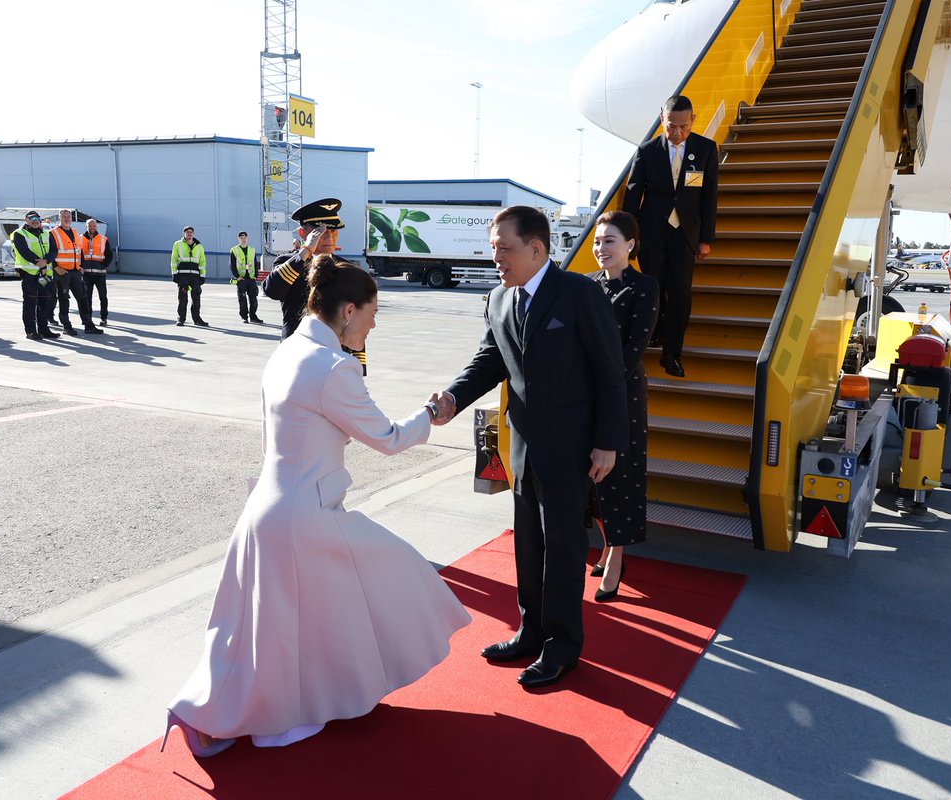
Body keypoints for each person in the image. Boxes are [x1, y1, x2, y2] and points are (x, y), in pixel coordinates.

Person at [163, 254, 469, 757]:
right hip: (306, 516)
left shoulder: (288, 350)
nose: (375, 323)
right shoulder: (333, 368)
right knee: (393, 573)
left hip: (268, 504)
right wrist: (432, 413)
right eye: (372, 313)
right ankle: (252, 715)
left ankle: (224, 711)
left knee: (266, 629)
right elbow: (387, 438)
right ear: (348, 311)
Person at [433, 206, 627, 689]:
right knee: (528, 545)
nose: (495, 256)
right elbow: (489, 360)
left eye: (505, 248)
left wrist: (607, 444)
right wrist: (453, 397)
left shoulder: (580, 294)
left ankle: (562, 646)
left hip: (572, 449)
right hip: (522, 447)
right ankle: (531, 631)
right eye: (494, 247)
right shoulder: (499, 298)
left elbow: (610, 373)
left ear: (537, 249)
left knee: (563, 549)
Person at [586, 211, 658, 601]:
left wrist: (599, 382)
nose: (601, 249)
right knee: (592, 478)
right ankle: (604, 541)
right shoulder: (585, 286)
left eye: (609, 241)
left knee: (621, 477)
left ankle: (616, 555)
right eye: (598, 241)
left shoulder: (645, 287)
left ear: (630, 245)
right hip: (585, 393)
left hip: (624, 393)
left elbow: (634, 348)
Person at [623, 94, 719, 378]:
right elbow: (632, 196)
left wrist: (706, 239)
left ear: (693, 121)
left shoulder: (705, 149)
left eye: (683, 127)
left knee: (680, 291)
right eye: (671, 127)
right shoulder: (646, 151)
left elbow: (709, 196)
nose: (677, 133)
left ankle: (672, 354)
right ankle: (657, 332)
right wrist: (630, 237)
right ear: (662, 119)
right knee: (653, 287)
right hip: (652, 233)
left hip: (686, 234)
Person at [262, 198, 343, 340]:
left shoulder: (345, 267)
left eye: (334, 231)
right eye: (321, 231)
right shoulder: (289, 262)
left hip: (337, 350)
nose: (329, 237)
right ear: (302, 233)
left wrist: (358, 361)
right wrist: (306, 251)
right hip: (298, 347)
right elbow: (272, 290)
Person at [51, 209, 103, 336]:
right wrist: (56, 267)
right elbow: (49, 252)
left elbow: (79, 252)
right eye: (64, 216)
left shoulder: (74, 232)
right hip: (62, 272)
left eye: (69, 216)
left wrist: (81, 267)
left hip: (75, 271)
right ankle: (67, 326)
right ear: (59, 218)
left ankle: (88, 325)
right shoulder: (53, 233)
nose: (67, 218)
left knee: (83, 298)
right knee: (64, 299)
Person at [12, 211, 62, 340]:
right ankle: (31, 331)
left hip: (45, 273)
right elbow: (24, 251)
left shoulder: (46, 233)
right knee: (30, 303)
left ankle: (44, 329)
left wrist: (46, 261)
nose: (35, 220)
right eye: (32, 218)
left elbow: (54, 250)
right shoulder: (19, 234)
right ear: (26, 219)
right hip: (29, 273)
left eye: (37, 218)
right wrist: (39, 262)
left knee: (45, 302)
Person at [171, 226, 208, 326]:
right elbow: (174, 259)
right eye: (187, 232)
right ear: (184, 234)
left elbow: (202, 261)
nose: (189, 234)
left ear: (193, 234)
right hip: (183, 275)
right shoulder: (177, 244)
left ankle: (197, 319)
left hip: (195, 276)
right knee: (182, 298)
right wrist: (174, 274)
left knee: (196, 298)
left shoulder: (199, 246)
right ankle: (181, 318)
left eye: (191, 232)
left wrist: (202, 276)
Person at [80, 218, 114, 326]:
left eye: (94, 226)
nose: (92, 227)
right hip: (86, 273)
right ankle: (88, 318)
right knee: (87, 297)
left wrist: (103, 265)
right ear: (86, 226)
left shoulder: (103, 239)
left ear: (96, 227)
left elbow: (109, 254)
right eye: (90, 225)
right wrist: (80, 266)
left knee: (103, 296)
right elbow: (77, 254)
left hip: (99, 273)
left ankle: (104, 317)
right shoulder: (80, 239)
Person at [229, 231, 264, 323]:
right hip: (241, 278)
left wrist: (256, 275)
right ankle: (244, 317)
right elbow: (232, 265)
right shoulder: (234, 250)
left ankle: (253, 316)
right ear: (238, 239)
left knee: (254, 299)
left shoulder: (252, 250)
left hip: (251, 278)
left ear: (247, 238)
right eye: (241, 238)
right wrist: (237, 276)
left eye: (245, 238)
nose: (243, 239)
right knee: (242, 298)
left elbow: (255, 263)